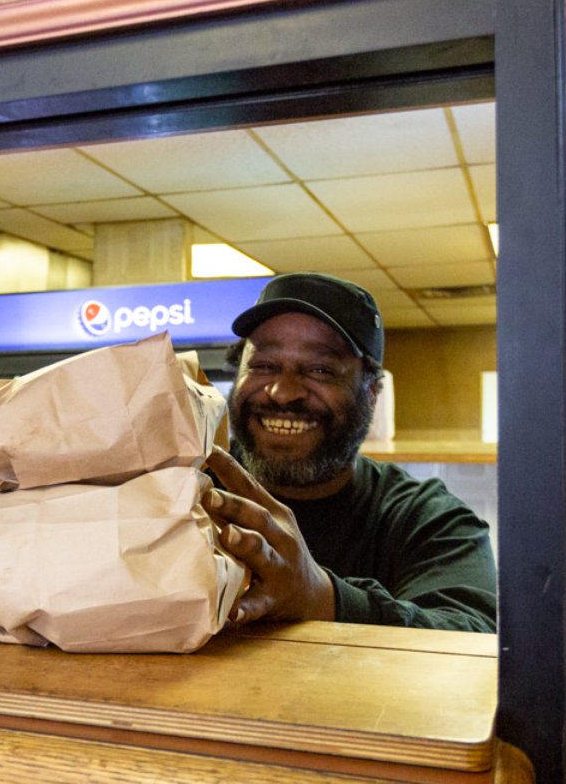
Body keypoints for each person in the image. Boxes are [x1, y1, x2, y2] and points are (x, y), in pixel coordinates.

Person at [204, 271, 496, 635]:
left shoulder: (426, 518)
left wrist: (323, 599)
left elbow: (475, 638)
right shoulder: (186, 487)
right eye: (263, 366)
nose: (282, 391)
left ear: (371, 393)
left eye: (320, 369)